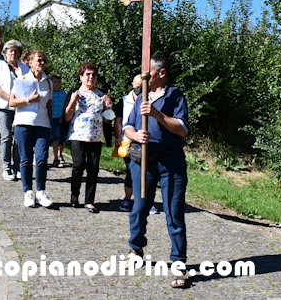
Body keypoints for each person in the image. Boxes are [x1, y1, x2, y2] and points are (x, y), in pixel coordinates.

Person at [123, 55, 189, 288]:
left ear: (161, 73)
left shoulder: (175, 95)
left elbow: (181, 129)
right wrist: (136, 136)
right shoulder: (142, 96)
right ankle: (136, 249)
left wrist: (156, 114)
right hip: (144, 161)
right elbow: (128, 126)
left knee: (174, 211)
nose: (144, 75)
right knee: (139, 207)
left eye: (148, 71)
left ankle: (179, 264)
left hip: (171, 162)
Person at [64, 62, 113, 213]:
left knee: (93, 168)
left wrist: (109, 105)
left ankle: (89, 200)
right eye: (88, 74)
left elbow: (107, 119)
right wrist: (72, 101)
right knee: (78, 165)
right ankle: (74, 197)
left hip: (96, 136)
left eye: (93, 74)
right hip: (78, 135)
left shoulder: (101, 95)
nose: (91, 77)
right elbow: (66, 117)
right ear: (81, 77)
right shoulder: (75, 92)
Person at [9, 50, 53, 208]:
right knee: (26, 159)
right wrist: (28, 100)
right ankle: (28, 192)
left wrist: (51, 126)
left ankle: (41, 192)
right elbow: (12, 103)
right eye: (39, 60)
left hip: (42, 125)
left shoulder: (48, 82)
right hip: (23, 123)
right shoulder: (22, 79)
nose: (41, 63)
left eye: (43, 61)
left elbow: (49, 105)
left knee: (41, 159)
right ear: (30, 62)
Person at [0, 40, 29, 181]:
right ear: (5, 53)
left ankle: (17, 166)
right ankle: (6, 167)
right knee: (6, 136)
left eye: (15, 51)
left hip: (20, 107)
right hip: (3, 106)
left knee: (19, 138)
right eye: (10, 51)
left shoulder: (25, 68)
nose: (13, 53)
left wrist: (21, 102)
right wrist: (10, 100)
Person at [113, 74, 142, 212]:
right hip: (128, 142)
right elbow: (118, 120)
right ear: (132, 84)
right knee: (133, 171)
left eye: (141, 88)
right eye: (136, 87)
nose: (138, 90)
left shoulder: (150, 100)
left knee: (145, 171)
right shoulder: (124, 101)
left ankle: (144, 201)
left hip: (145, 141)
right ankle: (128, 199)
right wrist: (118, 136)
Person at [50, 73, 68, 167]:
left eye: (59, 82)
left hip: (62, 118)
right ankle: (55, 158)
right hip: (53, 118)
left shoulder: (63, 94)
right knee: (56, 137)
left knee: (63, 139)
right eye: (55, 82)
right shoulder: (49, 93)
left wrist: (64, 117)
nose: (57, 84)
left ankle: (60, 153)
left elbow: (66, 106)